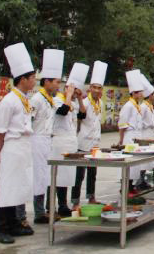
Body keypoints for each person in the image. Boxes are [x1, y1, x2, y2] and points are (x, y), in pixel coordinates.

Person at [0, 43, 37, 244]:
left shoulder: (25, 99)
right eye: (32, 77)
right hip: (11, 146)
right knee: (5, 187)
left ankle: (14, 223)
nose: (34, 80)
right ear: (23, 79)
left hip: (23, 147)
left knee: (18, 186)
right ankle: (0, 228)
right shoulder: (9, 100)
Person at [30, 49, 63, 225]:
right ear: (47, 81)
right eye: (57, 82)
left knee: (43, 177)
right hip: (36, 141)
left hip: (46, 141)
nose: (59, 86)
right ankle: (31, 213)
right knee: (35, 177)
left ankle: (40, 211)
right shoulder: (37, 99)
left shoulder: (50, 99)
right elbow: (29, 121)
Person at [51, 62, 89, 217]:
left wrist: (79, 98)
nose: (75, 93)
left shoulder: (73, 102)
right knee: (56, 176)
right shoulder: (57, 100)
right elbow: (62, 111)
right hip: (59, 143)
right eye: (73, 89)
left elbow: (82, 115)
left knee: (67, 177)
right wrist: (68, 93)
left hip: (70, 143)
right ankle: (50, 207)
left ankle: (62, 205)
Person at [72, 60, 107, 206]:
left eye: (99, 88)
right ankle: (75, 201)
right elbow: (79, 120)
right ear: (90, 88)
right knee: (79, 174)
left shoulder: (101, 103)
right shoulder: (85, 103)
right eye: (94, 87)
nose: (97, 90)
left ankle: (91, 197)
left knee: (93, 173)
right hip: (83, 142)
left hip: (95, 142)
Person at [118, 69, 145, 191]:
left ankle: (131, 185)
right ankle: (125, 187)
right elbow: (122, 124)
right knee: (129, 162)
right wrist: (121, 140)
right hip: (129, 137)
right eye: (140, 92)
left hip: (136, 136)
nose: (142, 94)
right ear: (134, 93)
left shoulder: (136, 105)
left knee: (135, 164)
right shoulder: (128, 106)